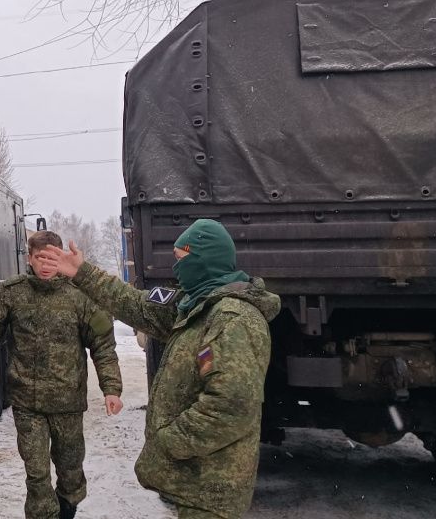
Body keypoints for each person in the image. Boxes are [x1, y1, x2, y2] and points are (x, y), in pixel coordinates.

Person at [41, 218, 280, 519]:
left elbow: (230, 407)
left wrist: (168, 440)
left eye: (181, 260)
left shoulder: (232, 319)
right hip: (195, 484)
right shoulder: (198, 305)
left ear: (202, 260)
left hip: (211, 491)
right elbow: (138, 305)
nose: (176, 268)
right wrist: (82, 273)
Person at [0, 230, 123, 519]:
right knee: (36, 472)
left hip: (68, 402)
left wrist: (111, 388)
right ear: (30, 258)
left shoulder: (81, 297)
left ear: (61, 257)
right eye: (40, 258)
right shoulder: (13, 294)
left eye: (52, 258)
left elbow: (102, 344)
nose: (46, 264)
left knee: (70, 470)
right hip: (28, 403)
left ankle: (67, 505)